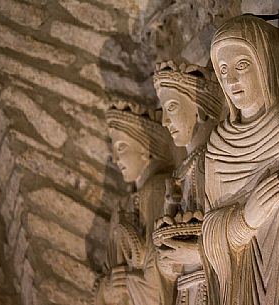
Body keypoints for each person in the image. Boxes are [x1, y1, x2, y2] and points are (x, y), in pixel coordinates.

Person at [202, 15, 279, 305]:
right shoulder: (217, 147)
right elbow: (208, 229)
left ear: (267, 64)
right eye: (222, 70)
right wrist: (245, 220)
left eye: (242, 65)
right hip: (237, 288)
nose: (231, 80)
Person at [153, 61, 224, 305]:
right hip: (188, 290)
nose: (164, 121)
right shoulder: (183, 170)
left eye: (171, 107)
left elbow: (245, 231)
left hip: (217, 287)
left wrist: (198, 252)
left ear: (200, 109)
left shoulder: (217, 156)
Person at [95, 100, 175, 305]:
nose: (115, 159)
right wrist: (110, 287)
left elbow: (157, 271)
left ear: (146, 149)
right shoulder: (121, 208)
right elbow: (104, 281)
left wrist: (126, 281)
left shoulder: (157, 190)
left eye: (121, 147)